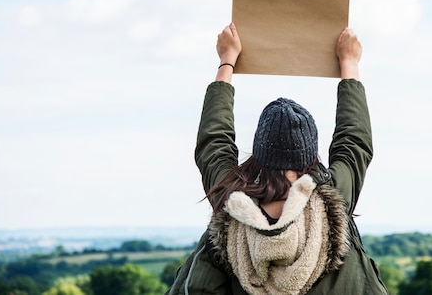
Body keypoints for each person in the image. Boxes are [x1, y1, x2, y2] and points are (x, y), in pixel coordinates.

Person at [165, 23, 388, 295]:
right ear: (310, 152)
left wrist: (227, 61)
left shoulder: (230, 199)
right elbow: (353, 141)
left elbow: (214, 141)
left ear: (259, 152)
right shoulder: (333, 197)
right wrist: (349, 63)